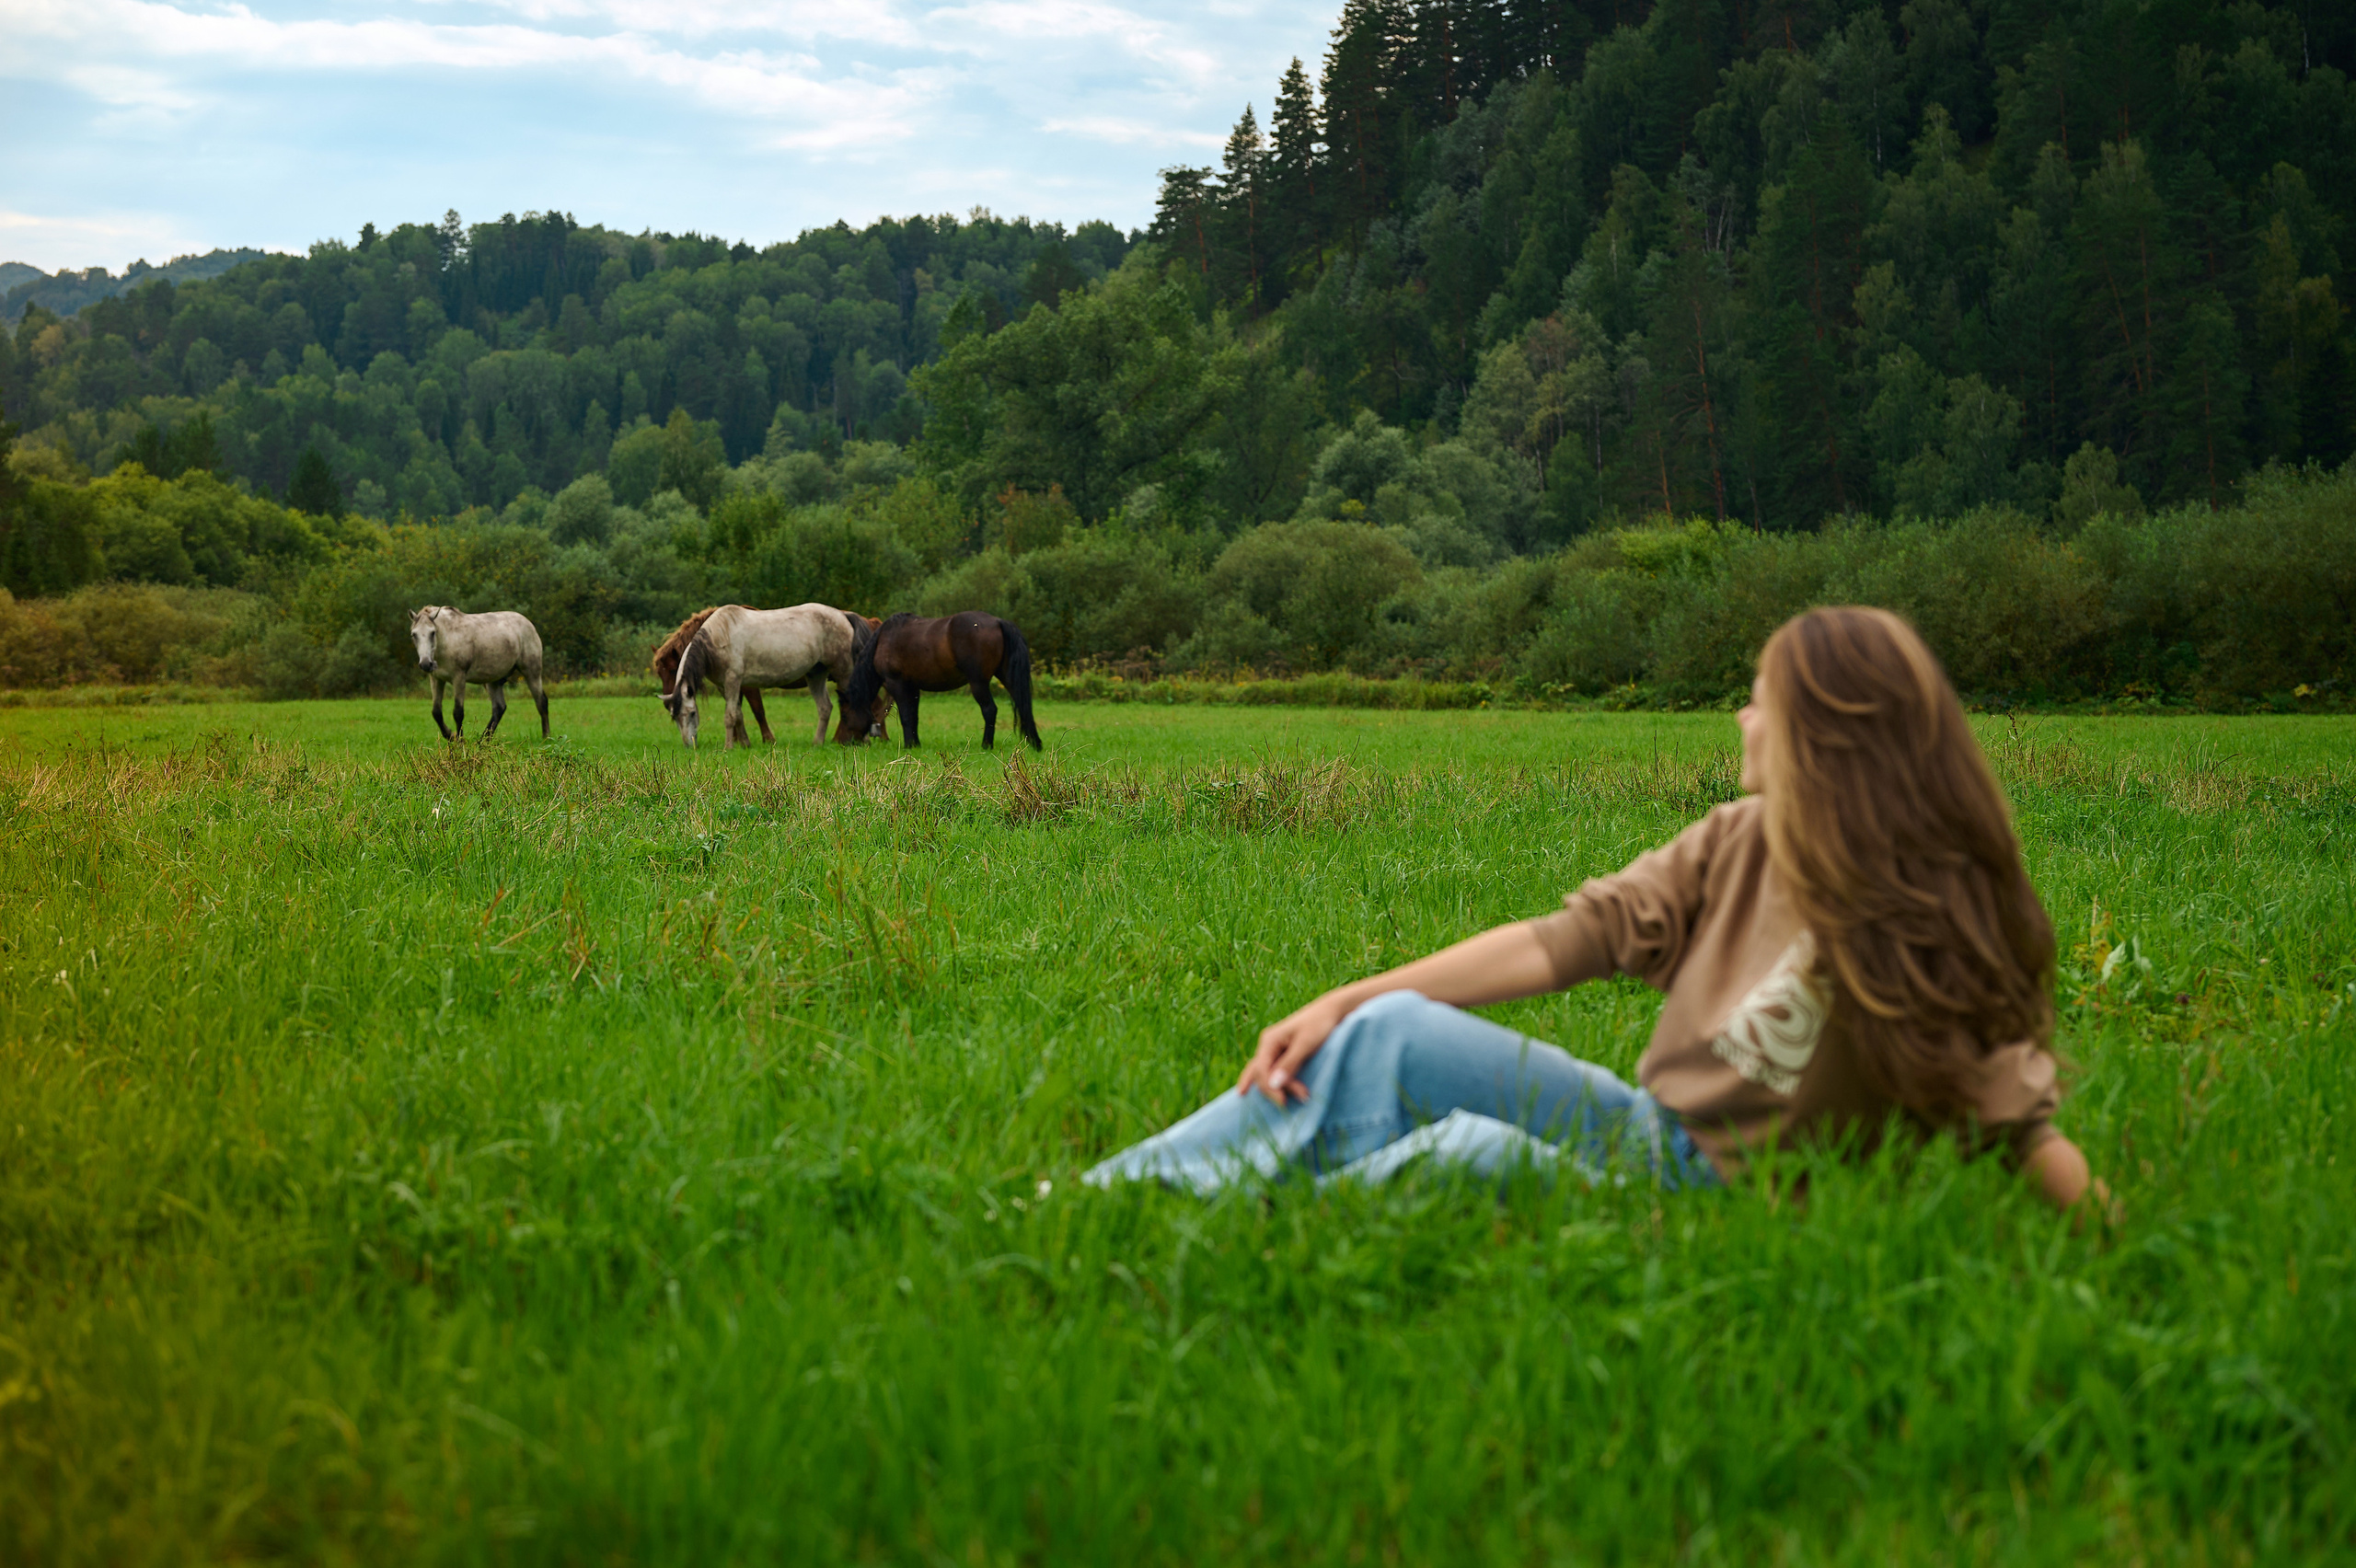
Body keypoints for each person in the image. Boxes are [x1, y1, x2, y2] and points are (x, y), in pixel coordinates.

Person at [1085, 606, 2098, 1213]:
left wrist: (2117, 1244)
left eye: (1758, 697)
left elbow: (2025, 1134)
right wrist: (1346, 997)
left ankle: (1227, 1231)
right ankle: (1106, 1203)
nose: (1741, 716)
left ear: (1823, 732)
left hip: (1728, 1217)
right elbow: (1567, 943)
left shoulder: (1932, 919)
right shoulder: (1741, 838)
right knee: (1386, 1029)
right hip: (1648, 1137)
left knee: (1466, 1155)